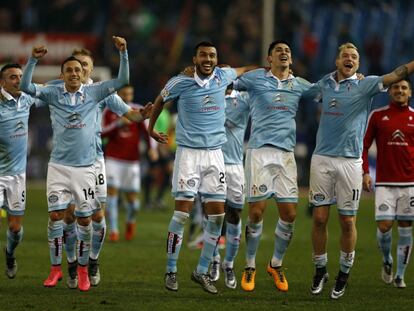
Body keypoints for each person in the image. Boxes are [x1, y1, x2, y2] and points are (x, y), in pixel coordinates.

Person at [20, 36, 129, 292]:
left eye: (78, 69)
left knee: (85, 220)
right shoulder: (53, 91)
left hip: (87, 168)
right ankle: (57, 268)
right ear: (62, 74)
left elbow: (123, 81)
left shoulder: (95, 91)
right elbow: (26, 87)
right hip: (58, 166)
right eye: (69, 70)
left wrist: (123, 53)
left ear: (84, 73)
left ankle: (83, 269)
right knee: (57, 216)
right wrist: (33, 60)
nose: (73, 73)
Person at [308, 42, 414, 299]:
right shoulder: (324, 84)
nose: (350, 59)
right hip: (322, 158)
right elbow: (301, 92)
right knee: (320, 218)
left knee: (347, 221)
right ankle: (320, 269)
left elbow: (396, 74)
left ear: (358, 63)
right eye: (345, 55)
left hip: (350, 162)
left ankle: (344, 272)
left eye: (354, 56)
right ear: (336, 61)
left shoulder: (366, 85)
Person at [148, 41, 255, 294]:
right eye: (204, 55)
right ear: (195, 59)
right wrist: (151, 129)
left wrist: (272, 68)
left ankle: (202, 270)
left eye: (212, 55)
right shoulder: (180, 81)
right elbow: (159, 100)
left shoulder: (223, 76)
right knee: (181, 214)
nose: (208, 59)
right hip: (188, 154)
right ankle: (171, 270)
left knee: (217, 215)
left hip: (215, 155)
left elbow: (245, 70)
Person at [58, 48, 151, 289]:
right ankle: (71, 263)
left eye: (85, 64)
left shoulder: (101, 92)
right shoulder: (61, 91)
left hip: (95, 160)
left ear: (91, 67)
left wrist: (144, 116)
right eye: (77, 65)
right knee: (68, 215)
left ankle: (93, 261)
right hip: (65, 161)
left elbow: (129, 114)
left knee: (97, 216)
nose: (81, 69)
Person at [233, 40, 313, 293]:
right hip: (259, 152)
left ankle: (275, 264)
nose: (284, 53)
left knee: (289, 215)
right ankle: (249, 266)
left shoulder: (299, 84)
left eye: (288, 50)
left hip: (286, 155)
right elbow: (225, 80)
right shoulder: (256, 78)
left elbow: (329, 92)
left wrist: (355, 77)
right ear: (269, 59)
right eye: (278, 50)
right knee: (256, 212)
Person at [362, 78, 414, 289]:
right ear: (389, 91)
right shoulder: (377, 116)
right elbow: (363, 146)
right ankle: (387, 259)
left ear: (409, 92)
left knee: (405, 227)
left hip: (410, 182)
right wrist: (365, 172)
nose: (399, 91)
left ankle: (400, 275)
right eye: (396, 87)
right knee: (384, 227)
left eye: (403, 88)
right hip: (384, 182)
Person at [0, 63, 41, 279]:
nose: (17, 81)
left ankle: (9, 253)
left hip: (17, 176)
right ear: (2, 82)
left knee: (15, 229)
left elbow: (49, 92)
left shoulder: (27, 98)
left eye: (19, 76)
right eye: (12, 77)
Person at [102, 84, 157, 242]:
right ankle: (113, 230)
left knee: (133, 202)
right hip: (113, 158)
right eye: (124, 94)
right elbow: (101, 132)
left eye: (130, 94)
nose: (127, 97)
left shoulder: (138, 110)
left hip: (132, 161)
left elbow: (148, 130)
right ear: (119, 94)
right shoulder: (109, 110)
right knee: (111, 195)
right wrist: (118, 124)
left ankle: (130, 221)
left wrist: (151, 148)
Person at [209, 85, 250, 289]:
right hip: (213, 162)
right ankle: (215, 259)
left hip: (235, 166)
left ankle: (229, 264)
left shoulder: (244, 100)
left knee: (234, 216)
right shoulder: (207, 96)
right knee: (214, 216)